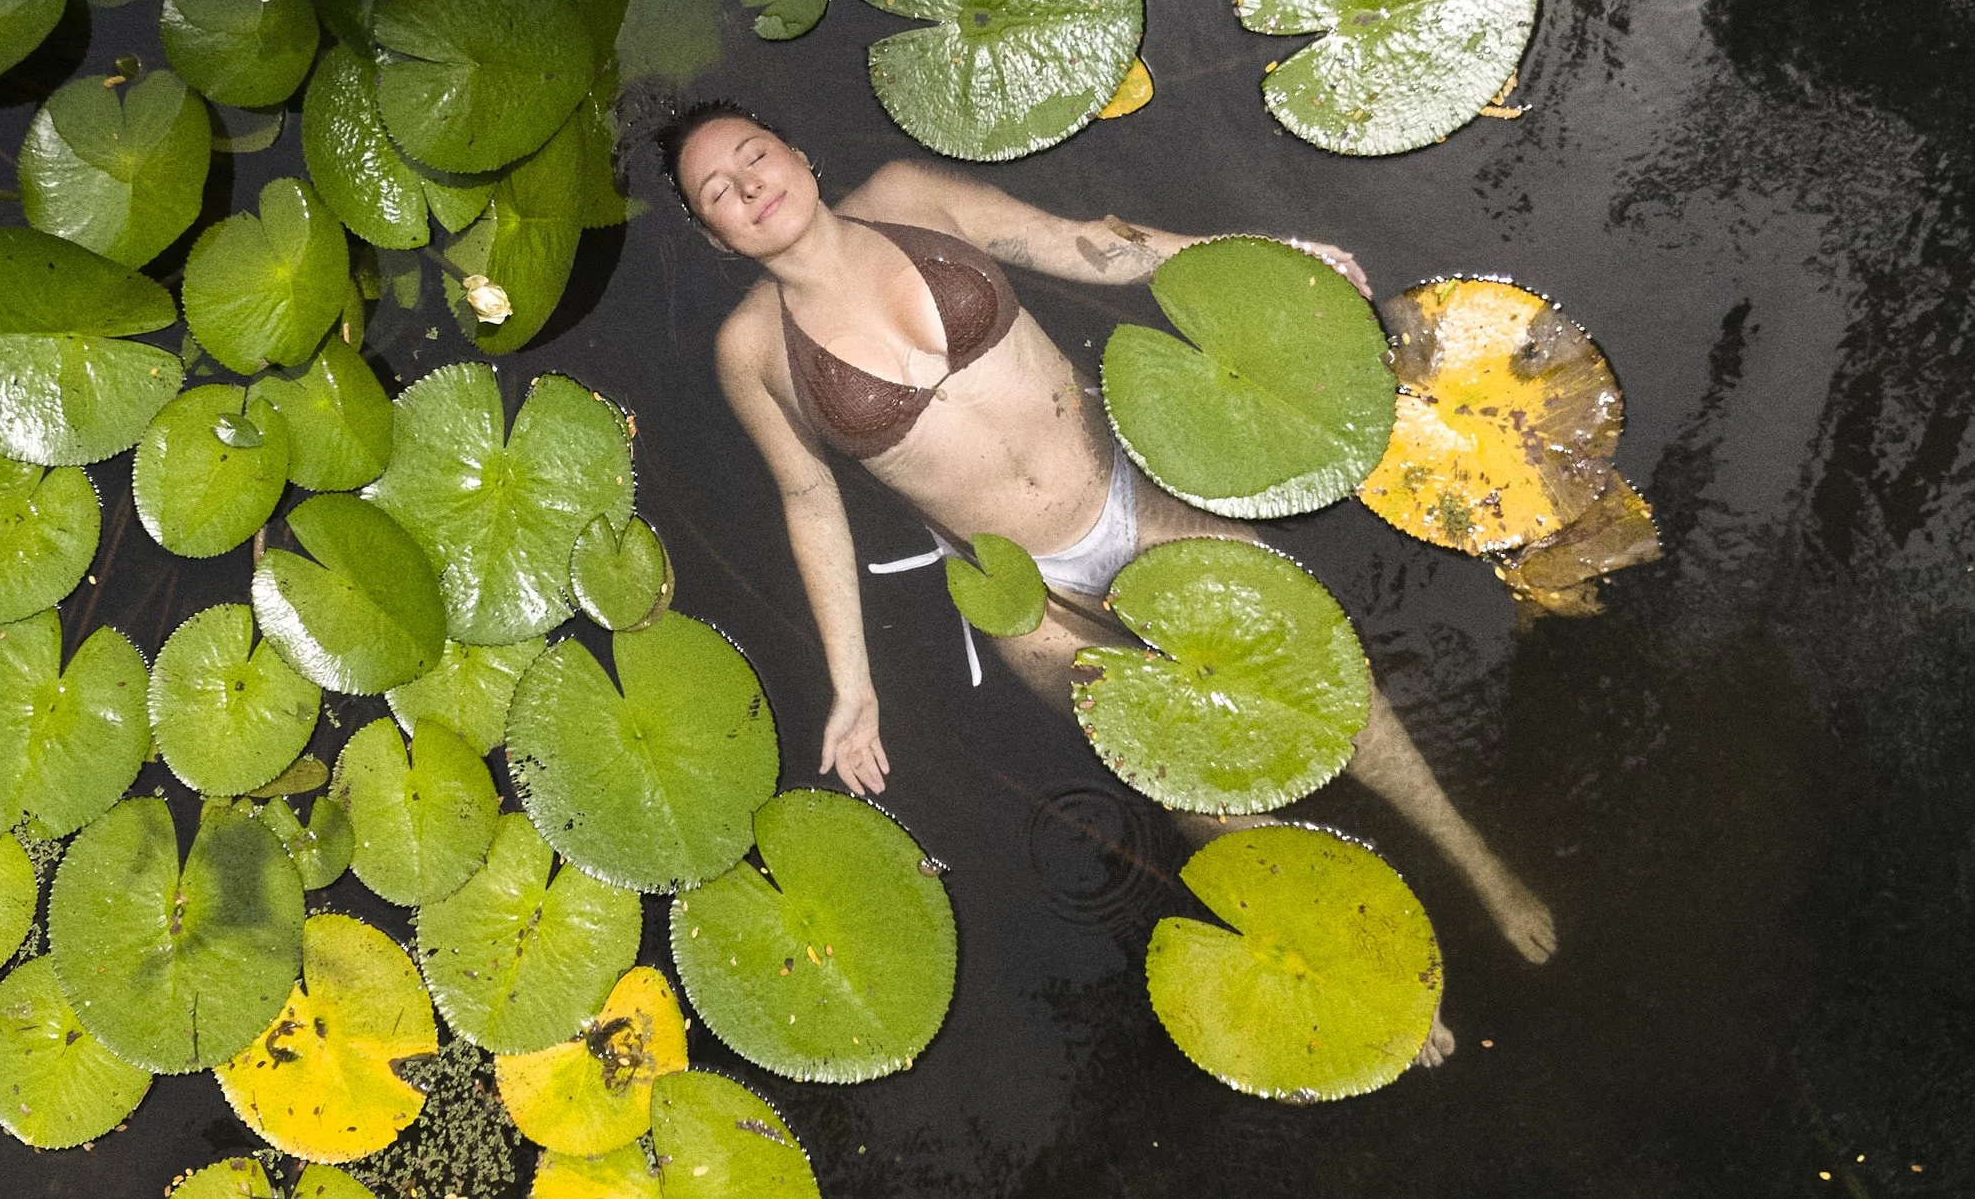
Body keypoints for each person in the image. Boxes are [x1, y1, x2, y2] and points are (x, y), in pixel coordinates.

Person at [649, 99, 1559, 977]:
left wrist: (1251, 259)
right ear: (712, 234)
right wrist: (853, 686)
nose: (748, 185)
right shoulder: (753, 349)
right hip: (1028, 592)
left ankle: (1477, 864)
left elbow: (1084, 243)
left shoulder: (905, 196)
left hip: (1129, 493)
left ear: (796, 153)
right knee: (1191, 781)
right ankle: (1346, 960)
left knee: (1309, 673)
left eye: (753, 154)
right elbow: (809, 498)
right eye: (717, 192)